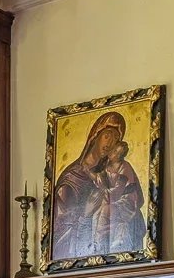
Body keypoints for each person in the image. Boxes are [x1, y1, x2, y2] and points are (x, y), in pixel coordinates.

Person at [51, 111, 146, 259]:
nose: (110, 143)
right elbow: (59, 239)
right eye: (107, 135)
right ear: (95, 136)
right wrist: (85, 214)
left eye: (116, 139)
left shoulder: (117, 169)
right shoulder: (71, 179)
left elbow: (133, 206)